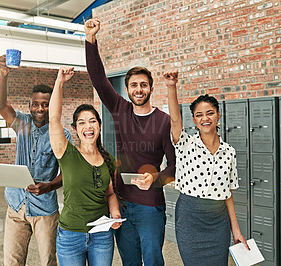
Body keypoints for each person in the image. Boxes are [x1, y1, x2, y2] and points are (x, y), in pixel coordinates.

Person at [84, 19, 176, 266]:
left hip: (150, 207)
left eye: (143, 85)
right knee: (130, 262)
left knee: (154, 261)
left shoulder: (164, 120)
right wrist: (91, 40)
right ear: (126, 90)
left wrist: (155, 179)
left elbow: (175, 168)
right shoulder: (120, 110)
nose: (138, 89)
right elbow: (98, 78)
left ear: (151, 89)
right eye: (133, 85)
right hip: (122, 204)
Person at [0, 55, 72, 266]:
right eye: (35, 104)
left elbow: (68, 172)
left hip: (44, 210)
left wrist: (50, 186)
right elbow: (0, 104)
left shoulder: (62, 134)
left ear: (51, 105)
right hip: (16, 205)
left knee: (48, 261)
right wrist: (3, 75)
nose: (40, 109)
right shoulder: (22, 123)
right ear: (29, 105)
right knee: (12, 261)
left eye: (45, 105)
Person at [165, 70, 249, 265]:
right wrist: (171, 87)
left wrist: (235, 230)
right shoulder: (185, 143)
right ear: (194, 120)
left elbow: (228, 193)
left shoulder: (229, 152)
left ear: (218, 115)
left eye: (210, 113)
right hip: (189, 217)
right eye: (199, 115)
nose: (205, 118)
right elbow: (175, 120)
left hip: (218, 221)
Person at [48, 66, 122, 266]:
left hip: (101, 236)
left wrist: (115, 214)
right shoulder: (67, 153)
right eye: (81, 123)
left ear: (99, 125)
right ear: (75, 129)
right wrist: (59, 83)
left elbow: (110, 194)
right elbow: (53, 119)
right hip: (70, 236)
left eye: (92, 122)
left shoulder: (108, 159)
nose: (88, 127)